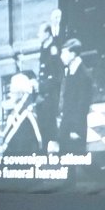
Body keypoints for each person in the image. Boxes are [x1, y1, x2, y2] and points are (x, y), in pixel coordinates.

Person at [57, 38, 93, 155]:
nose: (61, 56)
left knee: (78, 157)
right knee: (66, 157)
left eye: (63, 53)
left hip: (75, 127)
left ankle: (102, 173)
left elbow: (82, 106)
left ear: (72, 54)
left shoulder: (84, 76)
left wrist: (75, 130)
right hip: (66, 122)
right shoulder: (69, 70)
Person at [36, 21, 63, 151]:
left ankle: (61, 151)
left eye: (40, 32)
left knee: (49, 125)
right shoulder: (44, 47)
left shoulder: (53, 49)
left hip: (50, 95)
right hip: (43, 93)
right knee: (45, 126)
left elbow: (56, 77)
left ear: (47, 33)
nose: (38, 35)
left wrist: (41, 87)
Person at [1, 72, 42, 155]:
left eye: (13, 92)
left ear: (21, 93)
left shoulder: (26, 116)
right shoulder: (17, 110)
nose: (10, 95)